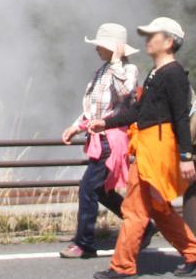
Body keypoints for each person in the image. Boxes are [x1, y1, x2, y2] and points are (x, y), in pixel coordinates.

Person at [86, 17, 196, 279]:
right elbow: (138, 111)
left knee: (134, 208)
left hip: (157, 144)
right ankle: (195, 253)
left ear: (168, 42)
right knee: (157, 209)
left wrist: (186, 157)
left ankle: (122, 267)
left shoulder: (174, 73)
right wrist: (105, 122)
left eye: (153, 36)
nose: (147, 40)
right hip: (149, 143)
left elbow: (179, 117)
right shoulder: (157, 73)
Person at [59, 23, 140, 259]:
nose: (97, 49)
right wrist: (76, 126)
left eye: (101, 46)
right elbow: (92, 109)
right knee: (102, 191)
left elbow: (126, 92)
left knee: (88, 189)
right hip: (100, 138)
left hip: (111, 139)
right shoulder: (102, 71)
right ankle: (141, 227)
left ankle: (84, 243)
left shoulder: (127, 70)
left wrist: (116, 62)